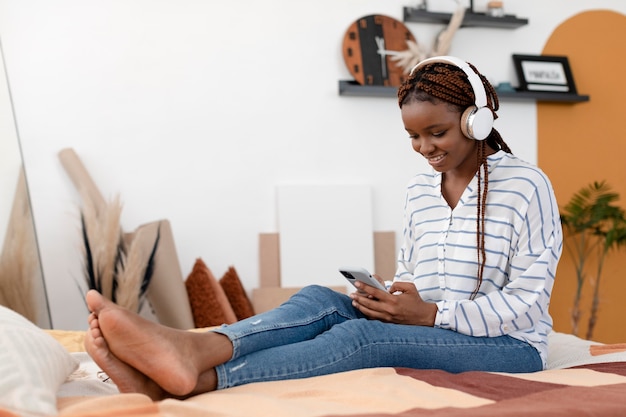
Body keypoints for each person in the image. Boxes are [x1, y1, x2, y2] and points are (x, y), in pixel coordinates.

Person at [84, 55, 563, 400]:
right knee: (318, 300)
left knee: (362, 340)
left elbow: (526, 304)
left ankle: (205, 378)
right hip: (431, 320)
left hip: (508, 345)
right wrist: (395, 297)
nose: (424, 147)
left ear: (475, 120)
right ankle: (194, 346)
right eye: (413, 136)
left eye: (436, 132)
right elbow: (412, 267)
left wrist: (430, 316)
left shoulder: (525, 186)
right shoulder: (421, 189)